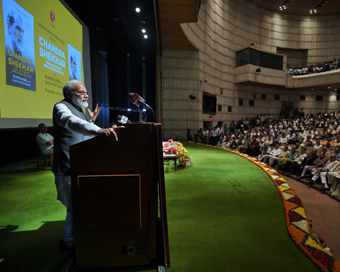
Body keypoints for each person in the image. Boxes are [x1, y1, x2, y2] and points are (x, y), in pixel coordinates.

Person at [52, 80, 119, 250]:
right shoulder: (61, 107)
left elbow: (83, 128)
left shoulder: (81, 112)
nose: (86, 95)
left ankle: (74, 238)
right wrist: (97, 129)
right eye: (81, 92)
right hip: (68, 167)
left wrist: (91, 120)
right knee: (74, 207)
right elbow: (71, 122)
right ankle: (67, 241)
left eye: (86, 92)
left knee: (80, 205)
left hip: (81, 165)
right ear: (68, 94)